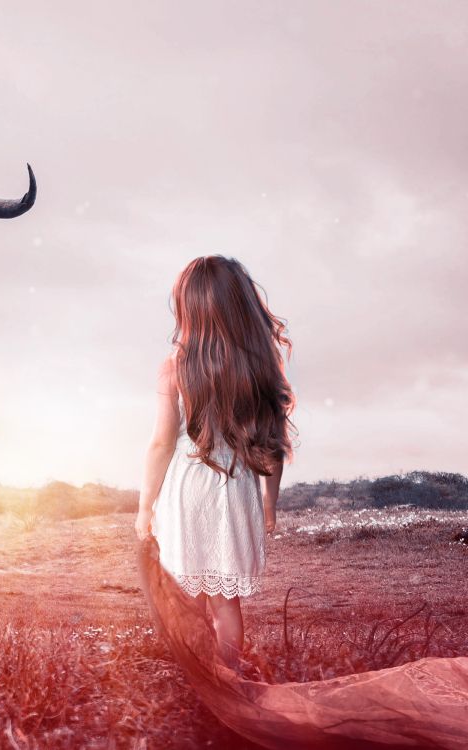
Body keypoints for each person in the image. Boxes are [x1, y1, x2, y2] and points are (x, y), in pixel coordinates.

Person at [135, 255, 295, 669]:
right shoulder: (259, 366)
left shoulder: (175, 367)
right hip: (234, 492)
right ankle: (229, 677)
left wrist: (144, 507)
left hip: (186, 490)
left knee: (187, 600)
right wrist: (269, 505)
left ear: (189, 306)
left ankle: (197, 678)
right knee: (227, 605)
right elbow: (272, 445)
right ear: (242, 306)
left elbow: (160, 444)